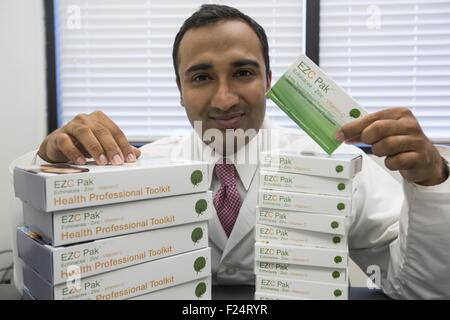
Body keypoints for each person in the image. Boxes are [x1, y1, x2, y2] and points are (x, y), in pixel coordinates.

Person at [10, 4, 450, 299]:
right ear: (180, 91)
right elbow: (46, 272)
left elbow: (416, 289)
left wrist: (432, 183)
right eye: (200, 78)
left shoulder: (337, 164)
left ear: (268, 79)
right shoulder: (139, 168)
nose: (224, 100)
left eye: (243, 72)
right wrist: (48, 164)